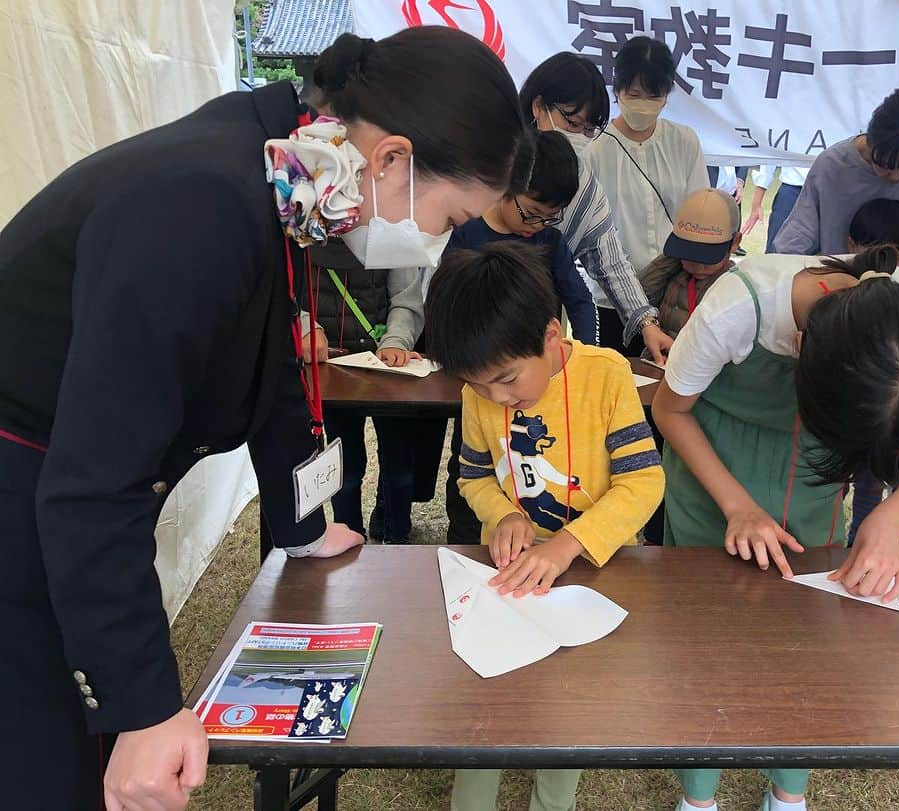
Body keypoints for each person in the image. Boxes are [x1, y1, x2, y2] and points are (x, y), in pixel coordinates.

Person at [0, 26, 530, 811]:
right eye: (449, 218)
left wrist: (301, 522)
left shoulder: (277, 170)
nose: (434, 244)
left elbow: (279, 361)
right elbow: (92, 481)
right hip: (27, 488)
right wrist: (143, 708)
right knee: (45, 756)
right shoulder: (201, 203)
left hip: (61, 481)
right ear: (389, 159)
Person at [652, 246, 899, 811]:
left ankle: (788, 792)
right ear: (799, 351)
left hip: (811, 498)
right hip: (713, 479)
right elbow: (671, 410)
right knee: (704, 647)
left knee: (808, 646)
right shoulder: (739, 307)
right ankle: (698, 797)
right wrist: (737, 506)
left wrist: (891, 518)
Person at [422, 241, 664, 811]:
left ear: (552, 338)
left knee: (569, 705)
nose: (495, 398)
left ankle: (552, 800)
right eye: (479, 386)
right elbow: (473, 478)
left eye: (507, 380)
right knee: (490, 701)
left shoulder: (606, 377)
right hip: (508, 576)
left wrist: (567, 547)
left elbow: (643, 483)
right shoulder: (477, 395)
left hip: (595, 574)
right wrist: (502, 512)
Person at [441, 129, 597, 544]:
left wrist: (583, 358)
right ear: (506, 188)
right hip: (486, 377)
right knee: (476, 464)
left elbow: (580, 301)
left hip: (539, 379)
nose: (538, 226)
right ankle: (464, 535)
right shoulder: (468, 235)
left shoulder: (550, 241)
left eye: (551, 217)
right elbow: (447, 309)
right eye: (530, 213)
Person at [521, 52, 673, 363]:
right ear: (538, 106)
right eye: (572, 122)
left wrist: (646, 323)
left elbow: (609, 263)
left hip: (534, 330)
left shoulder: (581, 184)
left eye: (589, 130)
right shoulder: (490, 169)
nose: (579, 137)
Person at [773, 86, 899, 300]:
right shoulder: (833, 165)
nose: (896, 176)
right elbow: (793, 245)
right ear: (871, 139)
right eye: (885, 164)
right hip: (835, 302)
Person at [586, 35, 710, 347]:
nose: (642, 104)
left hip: (674, 295)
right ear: (618, 89)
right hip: (612, 299)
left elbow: (700, 211)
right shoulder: (595, 150)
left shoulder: (683, 142)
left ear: (667, 95)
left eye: (653, 96)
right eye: (634, 94)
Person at [301, 237, 425, 543]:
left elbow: (406, 299)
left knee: (399, 467)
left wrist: (397, 340)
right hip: (331, 374)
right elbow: (286, 293)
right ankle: (349, 538)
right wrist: (307, 327)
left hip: (386, 369)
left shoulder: (393, 231)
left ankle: (399, 542)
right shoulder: (299, 232)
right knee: (346, 468)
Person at [841, 198, 899, 545]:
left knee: (871, 488)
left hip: (881, 420)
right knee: (830, 486)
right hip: (837, 418)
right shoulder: (835, 289)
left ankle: (863, 544)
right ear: (850, 245)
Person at [640, 188, 742, 338]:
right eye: (689, 253)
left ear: (735, 242)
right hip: (658, 358)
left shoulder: (733, 287)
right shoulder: (676, 272)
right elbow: (641, 297)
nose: (697, 265)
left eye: (707, 256)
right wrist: (673, 257)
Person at [741, 164, 809, 254]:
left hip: (827, 189)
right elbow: (768, 164)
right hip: (790, 189)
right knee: (775, 248)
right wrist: (756, 205)